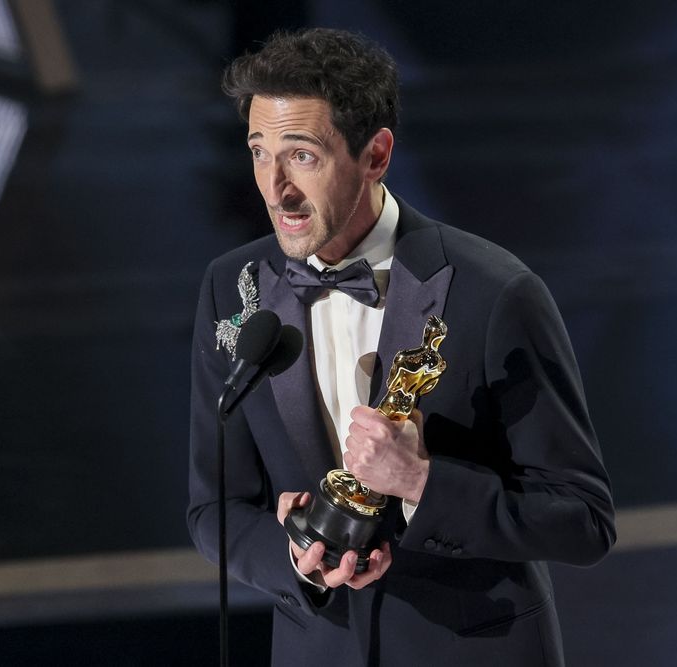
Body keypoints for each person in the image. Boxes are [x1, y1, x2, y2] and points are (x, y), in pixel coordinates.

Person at [188, 27, 615, 666]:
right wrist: (294, 557)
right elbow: (213, 509)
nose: (275, 188)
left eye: (301, 155)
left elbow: (583, 521)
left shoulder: (497, 292)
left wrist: (420, 482)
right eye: (258, 152)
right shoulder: (234, 287)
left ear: (377, 155)